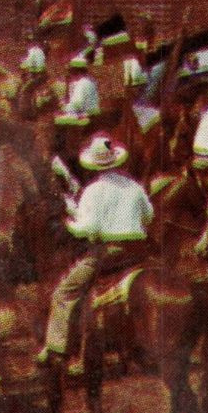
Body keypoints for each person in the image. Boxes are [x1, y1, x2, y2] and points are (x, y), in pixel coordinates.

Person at [36, 135, 153, 368]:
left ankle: (56, 348)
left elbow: (88, 228)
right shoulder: (135, 186)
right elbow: (149, 216)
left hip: (109, 252)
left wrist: (69, 221)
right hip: (139, 250)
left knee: (64, 293)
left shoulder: (93, 190)